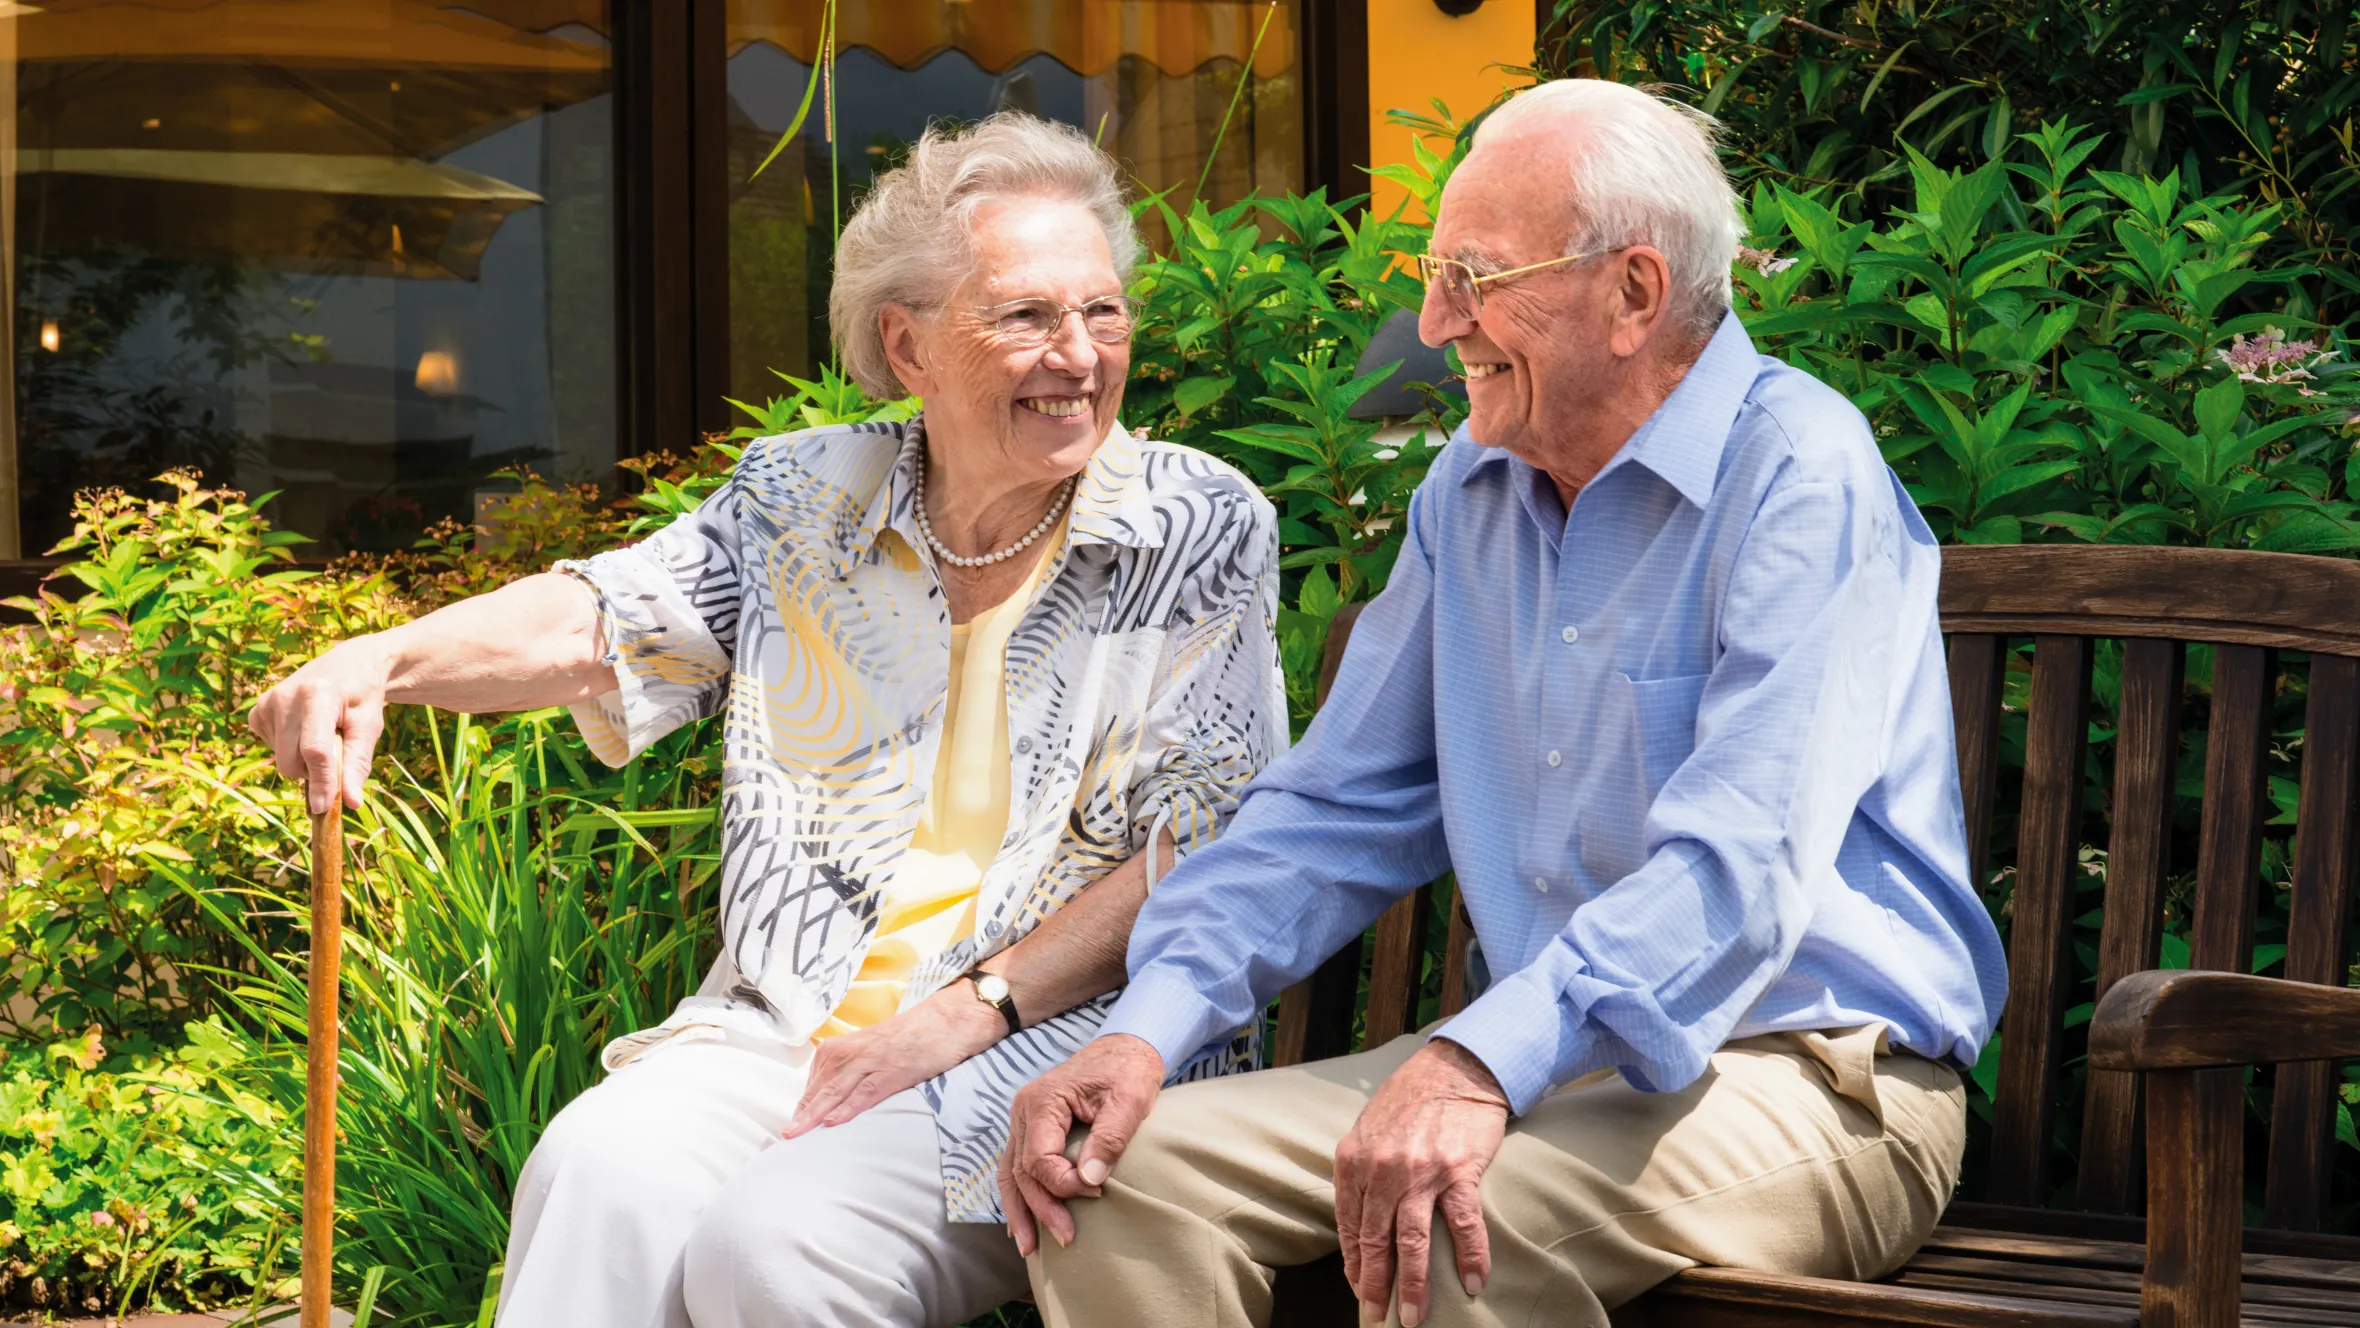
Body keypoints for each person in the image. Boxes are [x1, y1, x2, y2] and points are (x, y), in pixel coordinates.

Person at [246, 112, 1286, 1328]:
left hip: (1054, 1042)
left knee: (778, 1245)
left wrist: (963, 1013)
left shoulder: (1191, 521)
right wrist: (385, 657)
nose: (1078, 352)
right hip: (790, 1026)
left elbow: (1201, 843)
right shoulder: (805, 495)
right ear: (908, 347)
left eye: (1101, 311)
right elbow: (604, 612)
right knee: (597, 1172)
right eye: (1025, 316)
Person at [1003, 78, 2009, 1328]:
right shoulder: (1471, 484)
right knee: (1115, 1180)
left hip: (1811, 1074)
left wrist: (1477, 1056)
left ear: (1633, 292)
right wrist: (1141, 1031)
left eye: (1473, 279)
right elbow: (1333, 807)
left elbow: (1734, 870)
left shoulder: (1802, 475)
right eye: (1435, 275)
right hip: (1538, 1068)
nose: (1432, 324)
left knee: (1446, 1224)